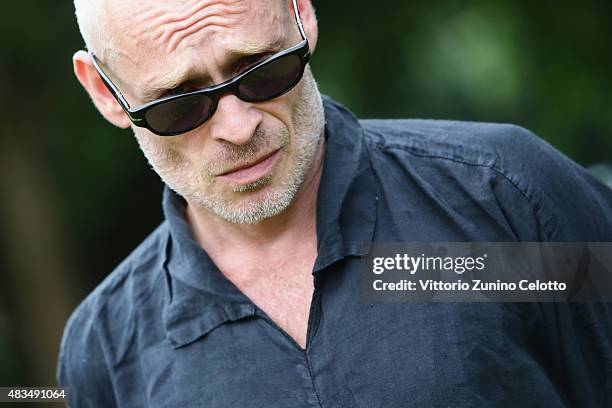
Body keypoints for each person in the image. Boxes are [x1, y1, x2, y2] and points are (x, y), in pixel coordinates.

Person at [58, 0, 612, 406]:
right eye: (177, 108)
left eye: (263, 72)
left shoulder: (504, 199)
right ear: (105, 93)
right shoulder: (104, 353)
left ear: (302, 13)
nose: (237, 126)